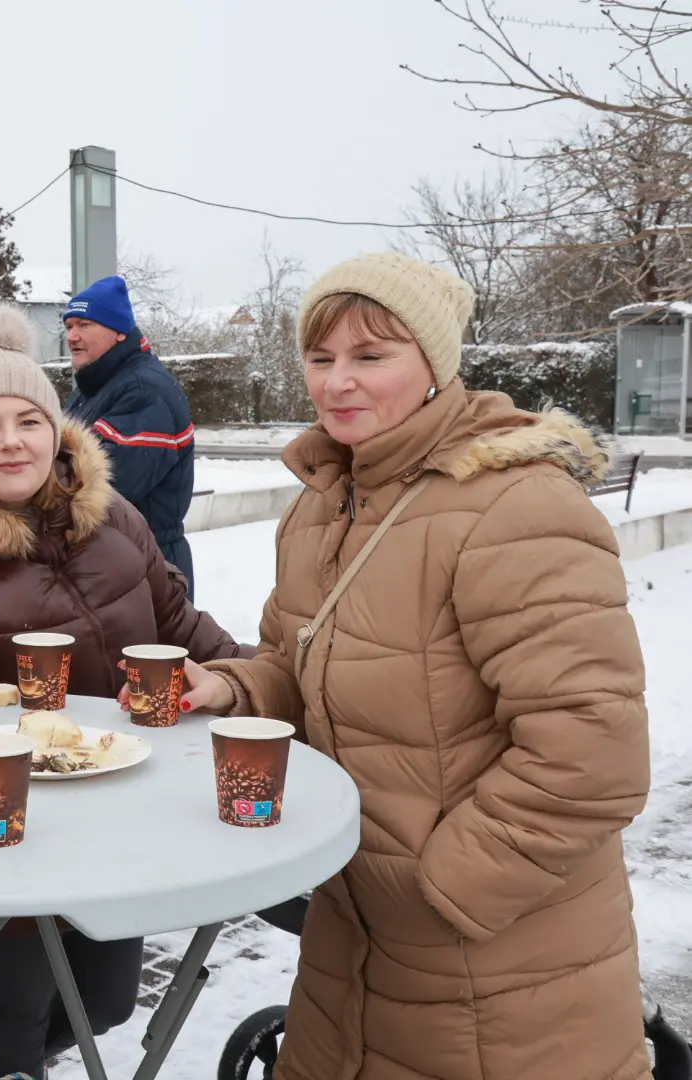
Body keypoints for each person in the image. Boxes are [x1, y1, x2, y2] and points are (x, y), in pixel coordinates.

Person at [181, 252, 651, 1080]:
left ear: (435, 365)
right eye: (321, 358)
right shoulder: (324, 503)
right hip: (352, 939)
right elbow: (298, 663)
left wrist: (444, 889)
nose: (337, 383)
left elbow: (591, 754)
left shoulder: (515, 505)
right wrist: (237, 684)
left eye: (371, 356)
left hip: (495, 966)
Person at [0, 303, 252, 1080]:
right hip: (15, 837)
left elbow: (182, 626)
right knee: (24, 1009)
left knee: (108, 1003)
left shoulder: (116, 520)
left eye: (27, 420)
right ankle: (0, 1067)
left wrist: (252, 680)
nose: (11, 441)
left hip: (124, 809)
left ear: (57, 429)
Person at [61, 275, 197, 596]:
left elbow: (99, 487)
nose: (73, 336)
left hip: (145, 569)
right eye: (68, 326)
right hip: (110, 563)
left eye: (84, 324)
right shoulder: (94, 387)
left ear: (120, 331)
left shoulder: (143, 391)